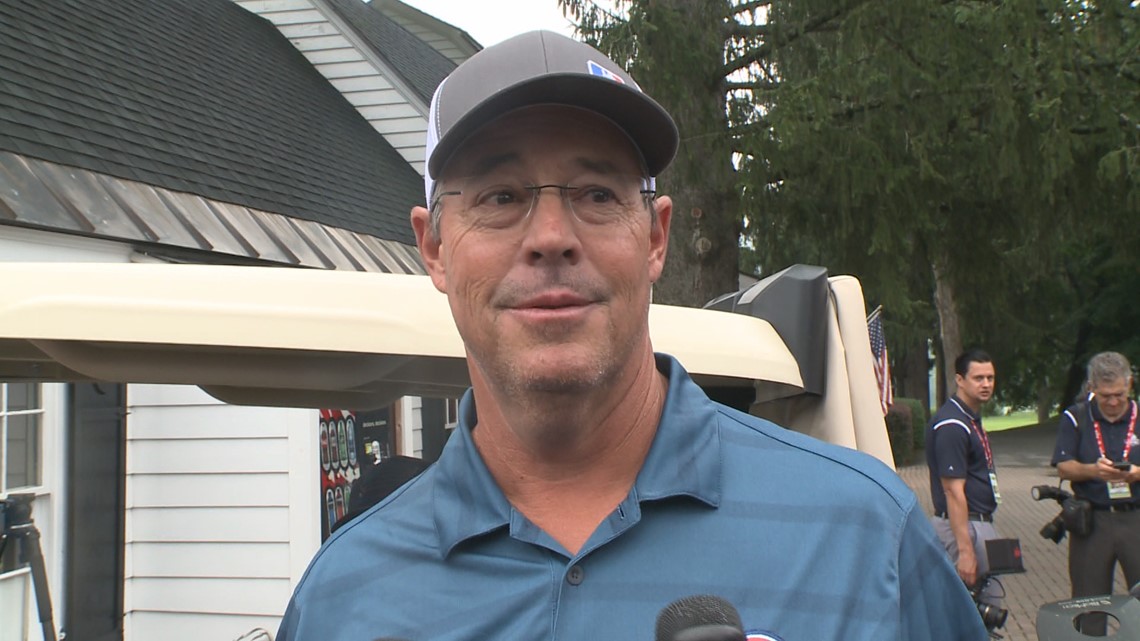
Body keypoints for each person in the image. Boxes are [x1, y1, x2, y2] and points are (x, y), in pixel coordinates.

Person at [278, 30, 985, 640]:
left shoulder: (865, 537)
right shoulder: (343, 599)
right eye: (500, 197)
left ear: (655, 235)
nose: (551, 237)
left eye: (596, 194)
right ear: (434, 247)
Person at [1051, 351, 1140, 635]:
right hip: (1093, 522)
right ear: (1092, 389)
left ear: (1130, 385)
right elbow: (1064, 467)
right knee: (1089, 605)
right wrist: (1093, 471)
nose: (1113, 403)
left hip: (1135, 517)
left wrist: (1137, 473)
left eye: (1119, 395)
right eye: (1105, 396)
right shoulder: (1076, 417)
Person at [926, 349, 1005, 608]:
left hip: (979, 523)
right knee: (970, 612)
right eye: (978, 378)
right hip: (963, 528)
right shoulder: (952, 424)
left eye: (990, 378)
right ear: (960, 380)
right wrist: (966, 551)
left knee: (989, 610)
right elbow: (952, 491)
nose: (986, 384)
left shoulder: (970, 419)